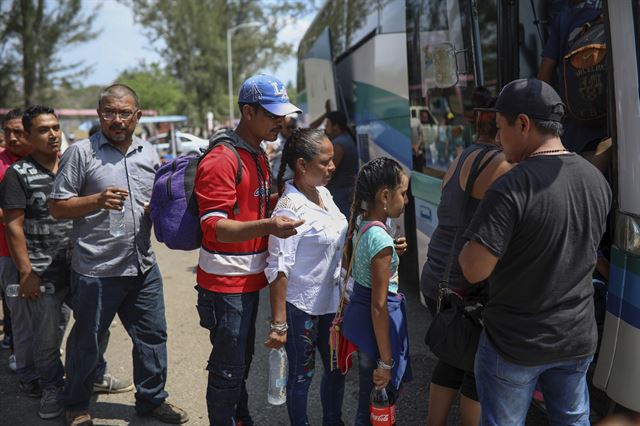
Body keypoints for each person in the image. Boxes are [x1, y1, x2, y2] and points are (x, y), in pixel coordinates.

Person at [458, 78, 611, 425]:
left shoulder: (511, 186)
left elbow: (474, 269)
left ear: (523, 124)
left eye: (500, 128)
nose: (497, 140)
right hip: (576, 337)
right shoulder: (595, 179)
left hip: (516, 343)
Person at [49, 84, 188, 426]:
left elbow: (159, 203)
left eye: (124, 113)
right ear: (99, 115)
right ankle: (77, 404)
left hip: (141, 265)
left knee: (152, 336)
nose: (117, 120)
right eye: (109, 112)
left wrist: (162, 212)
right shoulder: (80, 153)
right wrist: (95, 201)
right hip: (96, 269)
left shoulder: (150, 153)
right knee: (88, 341)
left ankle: (152, 399)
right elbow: (56, 206)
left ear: (137, 116)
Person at [193, 74, 304, 426]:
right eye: (273, 115)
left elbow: (249, 206)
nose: (281, 122)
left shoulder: (257, 153)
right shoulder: (222, 159)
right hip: (226, 286)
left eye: (282, 115)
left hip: (247, 283)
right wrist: (269, 226)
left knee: (240, 361)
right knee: (228, 369)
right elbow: (212, 227)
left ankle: (240, 418)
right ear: (248, 112)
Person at [420, 98, 512, 426]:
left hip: (436, 276)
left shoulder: (464, 155)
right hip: (465, 286)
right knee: (477, 367)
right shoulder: (503, 164)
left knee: (454, 356)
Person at [264, 128, 346, 425]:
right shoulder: (290, 207)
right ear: (302, 165)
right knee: (301, 377)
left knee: (338, 370)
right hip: (302, 309)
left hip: (333, 306)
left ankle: (333, 421)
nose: (332, 167)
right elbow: (278, 267)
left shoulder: (323, 193)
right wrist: (279, 323)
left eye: (332, 160)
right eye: (325, 162)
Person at [1, 105, 72, 419]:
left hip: (80, 267)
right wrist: (27, 271)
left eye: (56, 127)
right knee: (45, 339)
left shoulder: (71, 165)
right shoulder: (18, 174)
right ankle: (52, 390)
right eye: (44, 130)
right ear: (29, 136)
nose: (53, 135)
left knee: (92, 327)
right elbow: (13, 225)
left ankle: (90, 376)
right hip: (41, 273)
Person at [341, 157, 412, 426]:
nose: (405, 201)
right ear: (385, 195)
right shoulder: (381, 240)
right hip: (377, 327)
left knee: (365, 400)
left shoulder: (361, 220)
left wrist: (392, 250)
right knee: (379, 402)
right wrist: (386, 361)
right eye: (403, 194)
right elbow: (379, 306)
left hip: (361, 319)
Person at [0, 108, 38, 393]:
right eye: (7, 132)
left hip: (51, 254)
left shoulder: (51, 161)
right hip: (8, 254)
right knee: (20, 314)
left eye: (19, 132)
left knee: (56, 313)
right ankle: (27, 371)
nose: (12, 138)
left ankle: (45, 362)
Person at [537, 0, 606, 154]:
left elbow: (543, 78)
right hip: (618, 129)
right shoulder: (625, 14)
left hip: (575, 134)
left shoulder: (564, 19)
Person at [324, 111, 358, 217]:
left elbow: (330, 170)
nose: (325, 127)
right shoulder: (347, 138)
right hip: (346, 190)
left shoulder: (339, 144)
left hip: (340, 193)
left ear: (336, 126)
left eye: (328, 124)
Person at [264, 115, 297, 191]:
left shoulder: (296, 140)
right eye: (288, 127)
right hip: (277, 184)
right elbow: (267, 161)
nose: (291, 130)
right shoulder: (274, 142)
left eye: (293, 127)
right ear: (282, 127)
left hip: (292, 183)